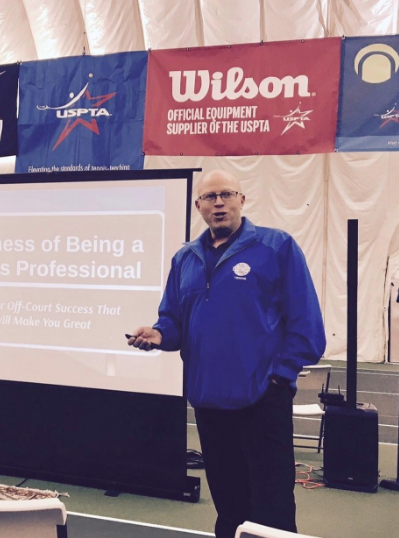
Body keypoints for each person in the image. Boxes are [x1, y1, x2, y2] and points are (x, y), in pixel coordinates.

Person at [127, 170, 326, 538]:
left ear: (241, 200)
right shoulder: (184, 258)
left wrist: (279, 378)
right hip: (209, 403)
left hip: (263, 401)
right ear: (198, 205)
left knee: (272, 507)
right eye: (211, 197)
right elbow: (173, 319)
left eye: (227, 195)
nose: (219, 203)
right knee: (229, 505)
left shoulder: (276, 247)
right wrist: (158, 334)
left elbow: (307, 327)